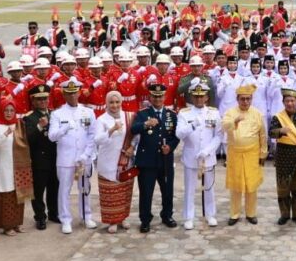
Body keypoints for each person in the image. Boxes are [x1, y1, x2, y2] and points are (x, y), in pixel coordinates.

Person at [48, 80, 97, 234]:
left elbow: (92, 135)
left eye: (74, 92)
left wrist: (86, 155)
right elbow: (51, 136)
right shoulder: (57, 114)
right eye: (69, 93)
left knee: (85, 188)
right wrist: (64, 128)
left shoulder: (88, 112)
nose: (72, 95)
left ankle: (86, 215)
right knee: (64, 190)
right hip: (66, 158)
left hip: (83, 157)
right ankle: (65, 219)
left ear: (79, 92)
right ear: (64, 94)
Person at [132, 84, 179, 231]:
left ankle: (167, 215)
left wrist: (170, 147)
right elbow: (133, 129)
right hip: (147, 161)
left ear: (164, 97)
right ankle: (145, 219)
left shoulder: (171, 114)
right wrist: (146, 124)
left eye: (160, 96)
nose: (157, 99)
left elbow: (176, 136)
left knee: (167, 190)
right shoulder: (142, 113)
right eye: (154, 96)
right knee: (146, 192)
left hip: (165, 160)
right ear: (150, 97)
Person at [175, 83, 223, 230]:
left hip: (207, 157)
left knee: (209, 187)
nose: (199, 99)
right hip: (191, 156)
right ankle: (188, 217)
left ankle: (210, 214)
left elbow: (218, 136)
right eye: (196, 96)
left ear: (207, 97)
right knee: (189, 189)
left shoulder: (214, 113)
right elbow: (179, 134)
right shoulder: (185, 113)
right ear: (191, 97)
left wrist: (208, 151)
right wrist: (192, 125)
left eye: (202, 96)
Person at [221, 84, 268, 225]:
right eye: (242, 99)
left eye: (248, 99)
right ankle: (234, 214)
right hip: (235, 153)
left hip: (252, 154)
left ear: (252, 99)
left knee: (251, 185)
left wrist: (263, 153)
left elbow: (263, 135)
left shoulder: (257, 113)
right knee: (236, 185)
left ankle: (251, 213)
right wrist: (234, 122)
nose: (245, 102)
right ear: (237, 99)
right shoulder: (230, 112)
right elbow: (223, 126)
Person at [269, 88, 296, 225]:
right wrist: (280, 131)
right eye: (287, 101)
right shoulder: (278, 117)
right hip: (283, 157)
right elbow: (271, 132)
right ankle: (284, 214)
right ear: (283, 102)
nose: (290, 103)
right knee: (283, 189)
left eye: (292, 101)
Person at [94, 91, 134, 233]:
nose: (114, 105)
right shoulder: (101, 119)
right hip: (108, 161)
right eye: (111, 102)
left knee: (124, 190)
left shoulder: (128, 116)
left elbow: (136, 135)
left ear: (121, 102)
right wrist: (110, 130)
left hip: (125, 161)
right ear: (106, 103)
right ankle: (112, 220)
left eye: (117, 102)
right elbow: (97, 140)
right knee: (110, 193)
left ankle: (123, 218)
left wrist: (132, 147)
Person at [22, 85, 58, 229]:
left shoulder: (55, 114)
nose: (43, 101)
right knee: (38, 190)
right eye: (39, 99)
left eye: (45, 98)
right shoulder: (29, 118)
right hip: (39, 158)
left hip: (55, 156)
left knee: (54, 187)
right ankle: (40, 217)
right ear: (34, 101)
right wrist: (39, 127)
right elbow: (28, 139)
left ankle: (54, 213)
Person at [0, 100, 25, 235]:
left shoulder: (19, 125)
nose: (9, 113)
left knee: (18, 194)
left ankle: (17, 223)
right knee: (6, 194)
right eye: (6, 110)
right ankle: (7, 226)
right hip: (4, 166)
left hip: (18, 165)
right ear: (1, 111)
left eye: (11, 110)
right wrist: (5, 134)